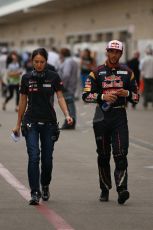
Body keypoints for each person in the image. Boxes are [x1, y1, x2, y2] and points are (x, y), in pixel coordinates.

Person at [12, 48, 73, 205]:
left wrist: (67, 114)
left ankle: (45, 184)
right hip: (31, 122)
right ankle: (35, 193)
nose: (39, 65)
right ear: (32, 62)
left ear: (46, 62)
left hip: (49, 123)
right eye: (36, 62)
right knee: (34, 157)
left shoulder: (53, 77)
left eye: (42, 62)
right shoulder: (26, 78)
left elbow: (59, 97)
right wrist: (18, 125)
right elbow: (23, 102)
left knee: (47, 160)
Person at [82, 40, 139, 204]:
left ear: (121, 54)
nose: (114, 55)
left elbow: (136, 97)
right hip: (101, 117)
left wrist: (126, 93)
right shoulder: (96, 72)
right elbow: (85, 95)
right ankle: (104, 188)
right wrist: (102, 96)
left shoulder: (128, 72)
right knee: (103, 155)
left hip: (119, 116)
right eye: (111, 52)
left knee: (121, 154)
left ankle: (122, 189)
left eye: (117, 52)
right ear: (106, 52)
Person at [58, 48, 78, 129]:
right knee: (70, 104)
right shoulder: (73, 61)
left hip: (67, 87)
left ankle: (69, 122)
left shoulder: (67, 62)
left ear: (63, 54)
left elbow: (66, 74)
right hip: (72, 86)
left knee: (68, 105)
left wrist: (62, 85)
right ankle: (71, 121)